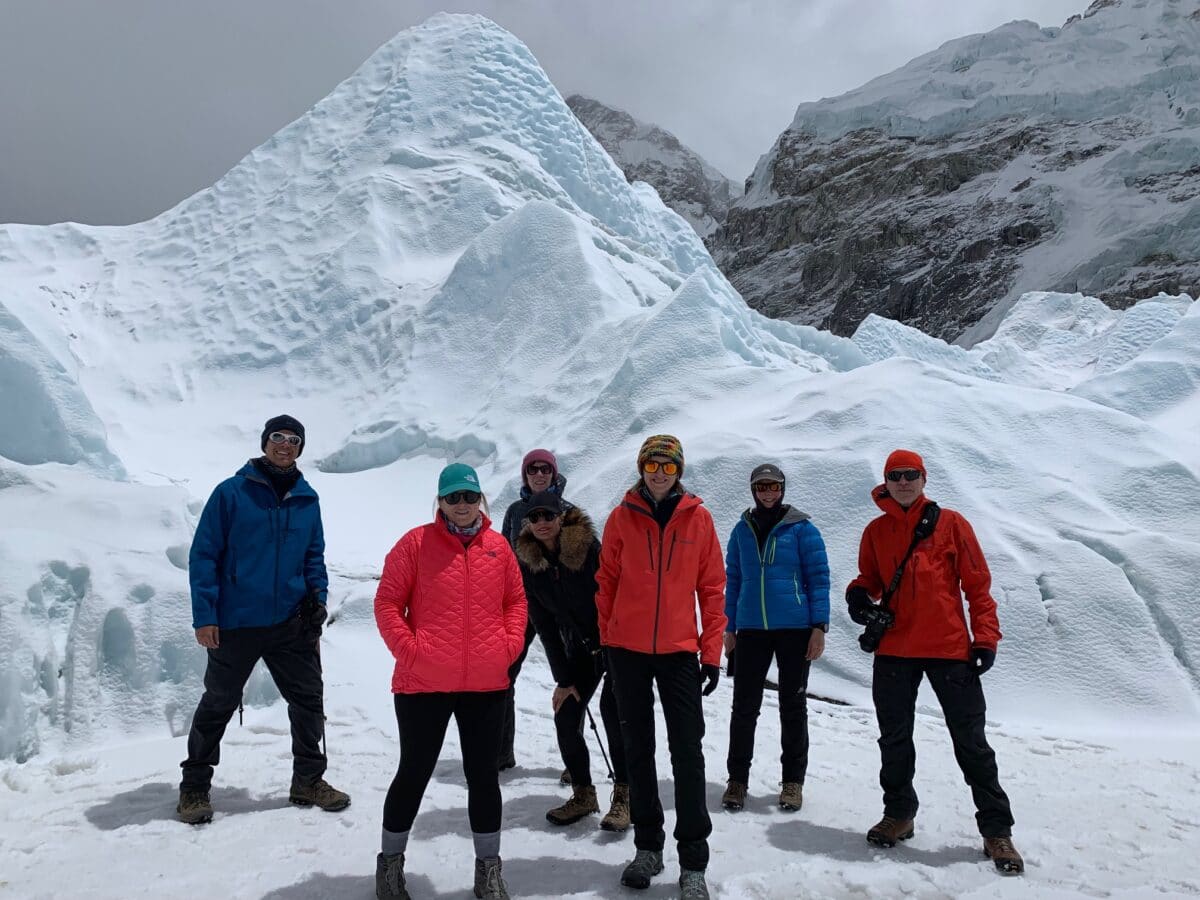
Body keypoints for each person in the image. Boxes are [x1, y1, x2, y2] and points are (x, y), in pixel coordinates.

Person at [847, 449, 1023, 875]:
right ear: (885, 481)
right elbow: (869, 579)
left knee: (972, 744)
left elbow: (977, 586)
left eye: (911, 475)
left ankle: (996, 832)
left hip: (949, 651)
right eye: (895, 475)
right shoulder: (876, 530)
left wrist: (985, 639)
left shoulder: (952, 524)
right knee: (894, 740)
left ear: (924, 479)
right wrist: (858, 596)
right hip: (893, 651)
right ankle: (899, 815)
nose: (903, 482)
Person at [178, 414, 349, 825]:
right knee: (218, 702)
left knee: (309, 700)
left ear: (300, 448)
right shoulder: (231, 493)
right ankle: (194, 787)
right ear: (264, 442)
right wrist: (206, 615)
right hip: (236, 621)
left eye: (293, 439)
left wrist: (318, 600)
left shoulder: (308, 499)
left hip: (291, 622)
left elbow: (314, 557)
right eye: (278, 437)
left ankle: (308, 780)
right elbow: (204, 555)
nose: (285, 445)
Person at [373, 463, 528, 900]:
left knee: (483, 777)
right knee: (414, 772)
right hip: (423, 683)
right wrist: (412, 652)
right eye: (453, 497)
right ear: (439, 501)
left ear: (480, 499)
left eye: (469, 496)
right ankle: (389, 866)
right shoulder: (415, 544)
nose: (462, 505)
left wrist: (507, 645)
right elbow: (387, 603)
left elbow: (516, 601)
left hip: (486, 684)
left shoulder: (498, 548)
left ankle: (488, 870)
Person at [595, 435, 726, 900]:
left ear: (679, 472)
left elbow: (712, 589)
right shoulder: (621, 518)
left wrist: (710, 653)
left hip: (677, 653)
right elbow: (606, 581)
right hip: (627, 650)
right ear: (641, 467)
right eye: (652, 465)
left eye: (668, 468)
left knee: (687, 753)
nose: (658, 474)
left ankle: (693, 861)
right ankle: (648, 847)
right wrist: (608, 640)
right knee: (638, 749)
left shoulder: (699, 518)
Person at [514, 490, 630, 831]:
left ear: (561, 517)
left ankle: (624, 796)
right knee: (566, 715)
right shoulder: (531, 566)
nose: (542, 523)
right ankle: (584, 794)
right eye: (535, 518)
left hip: (617, 641)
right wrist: (563, 680)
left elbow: (616, 592)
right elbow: (545, 627)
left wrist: (616, 644)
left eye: (548, 515)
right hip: (581, 650)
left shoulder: (588, 548)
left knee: (613, 713)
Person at [721, 463, 830, 814]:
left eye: (774, 487)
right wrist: (730, 627)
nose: (768, 493)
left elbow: (819, 578)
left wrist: (819, 626)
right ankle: (737, 780)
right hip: (751, 629)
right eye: (761, 487)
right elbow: (733, 580)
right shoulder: (741, 530)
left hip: (795, 630)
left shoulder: (803, 530)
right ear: (753, 490)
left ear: (783, 489)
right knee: (744, 707)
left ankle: (792, 783)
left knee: (793, 706)